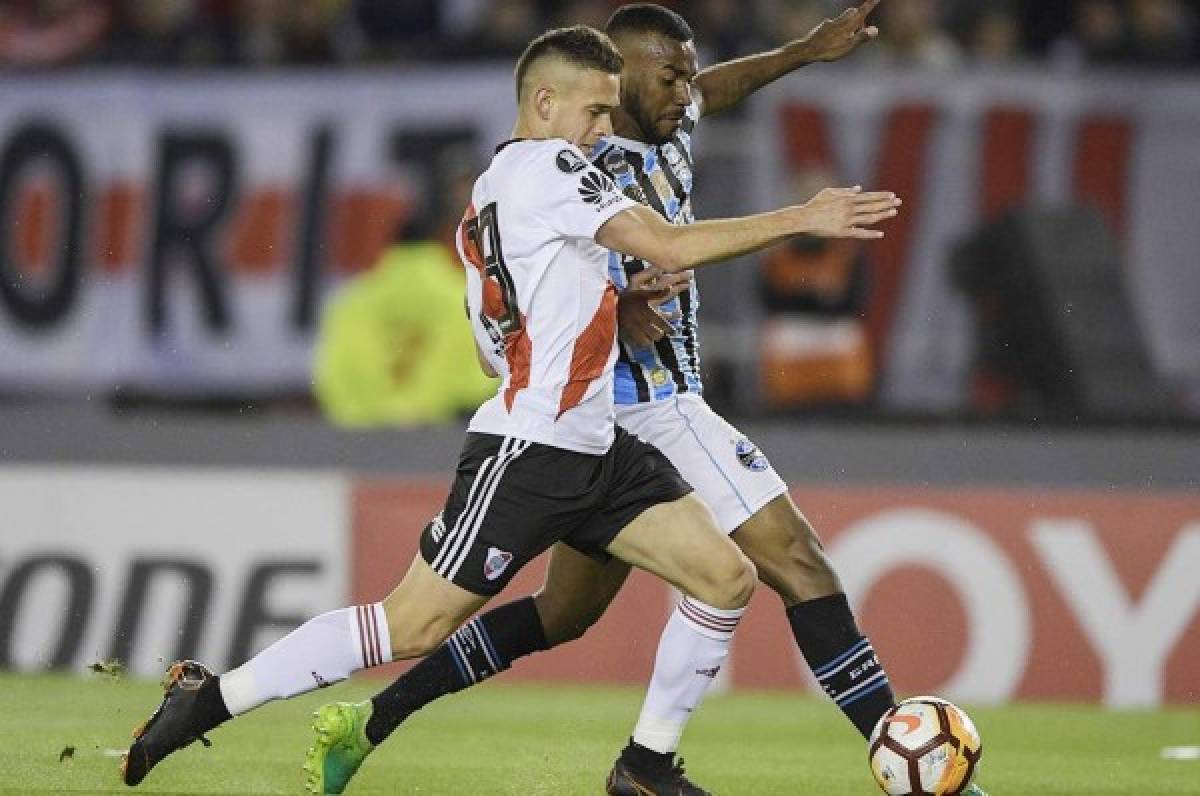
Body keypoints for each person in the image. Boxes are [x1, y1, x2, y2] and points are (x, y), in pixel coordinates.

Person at [119, 23, 900, 791]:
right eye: (595, 113)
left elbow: (490, 345)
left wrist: (610, 303)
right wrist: (803, 216)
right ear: (547, 102)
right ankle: (210, 697)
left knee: (725, 578)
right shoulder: (552, 169)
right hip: (534, 451)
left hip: (598, 446)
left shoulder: (486, 203)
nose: (604, 129)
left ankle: (645, 765)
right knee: (411, 624)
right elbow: (665, 244)